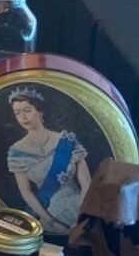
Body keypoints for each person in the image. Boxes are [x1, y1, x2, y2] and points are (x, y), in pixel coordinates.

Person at [7, 86, 91, 234]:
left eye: (27, 110)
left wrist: (82, 217)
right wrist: (50, 220)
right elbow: (26, 192)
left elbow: (87, 184)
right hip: (48, 215)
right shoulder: (17, 151)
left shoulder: (66, 141)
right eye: (17, 113)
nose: (23, 117)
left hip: (80, 208)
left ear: (39, 111)